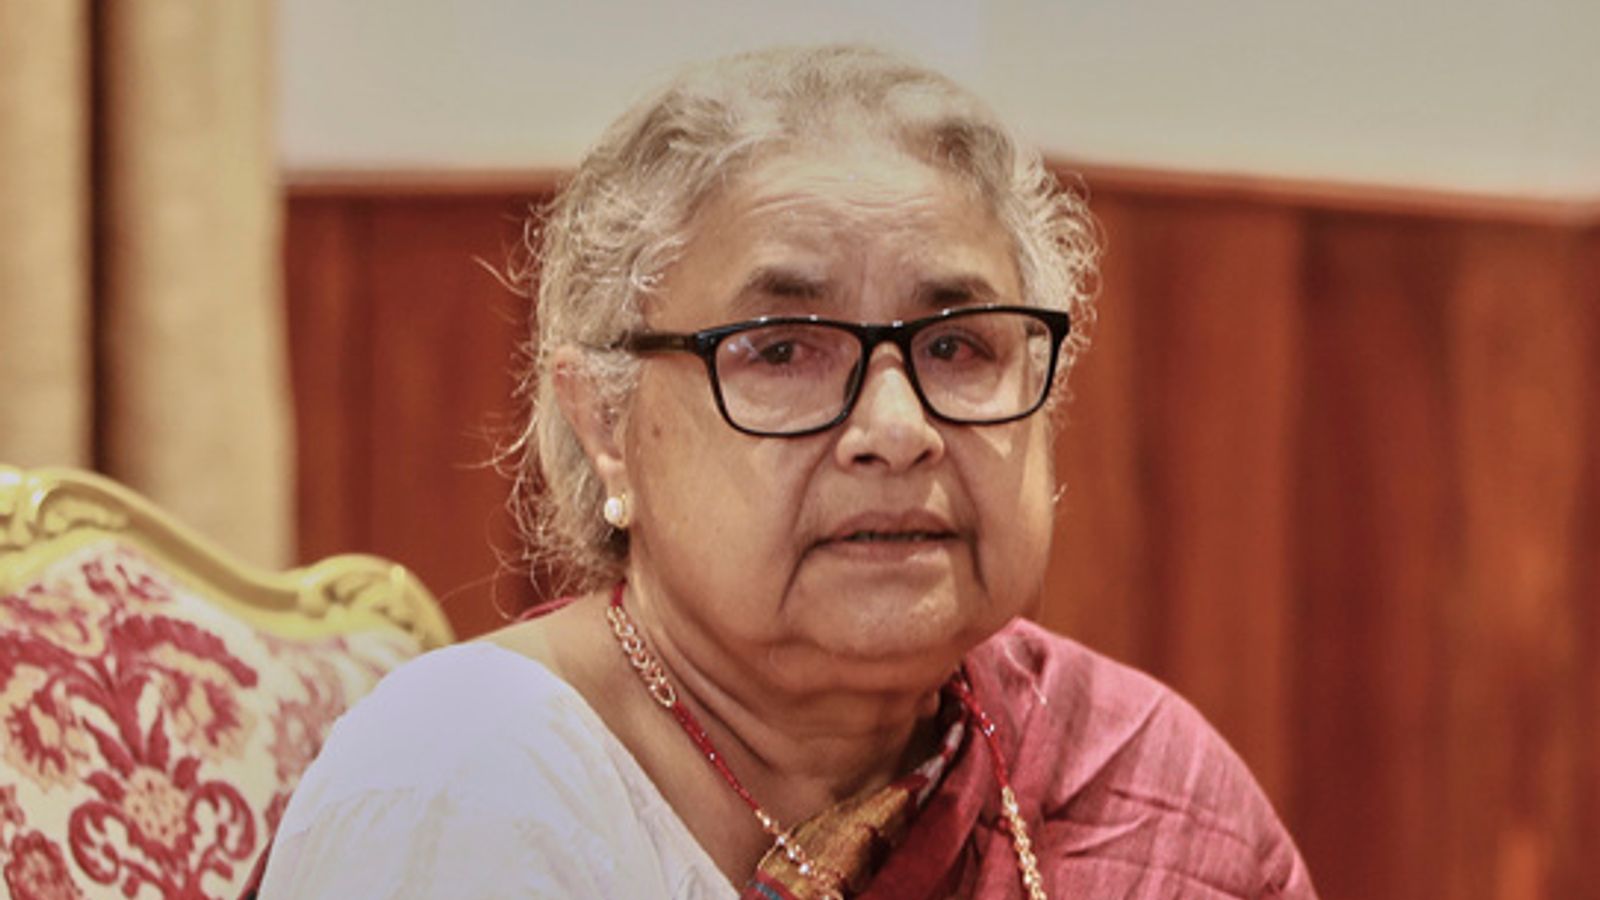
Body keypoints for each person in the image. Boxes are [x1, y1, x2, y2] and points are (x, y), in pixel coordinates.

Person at [259, 45, 1316, 899]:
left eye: (959, 346)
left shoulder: (1129, 777)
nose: (896, 429)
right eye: (780, 350)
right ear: (606, 425)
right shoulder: (463, 785)